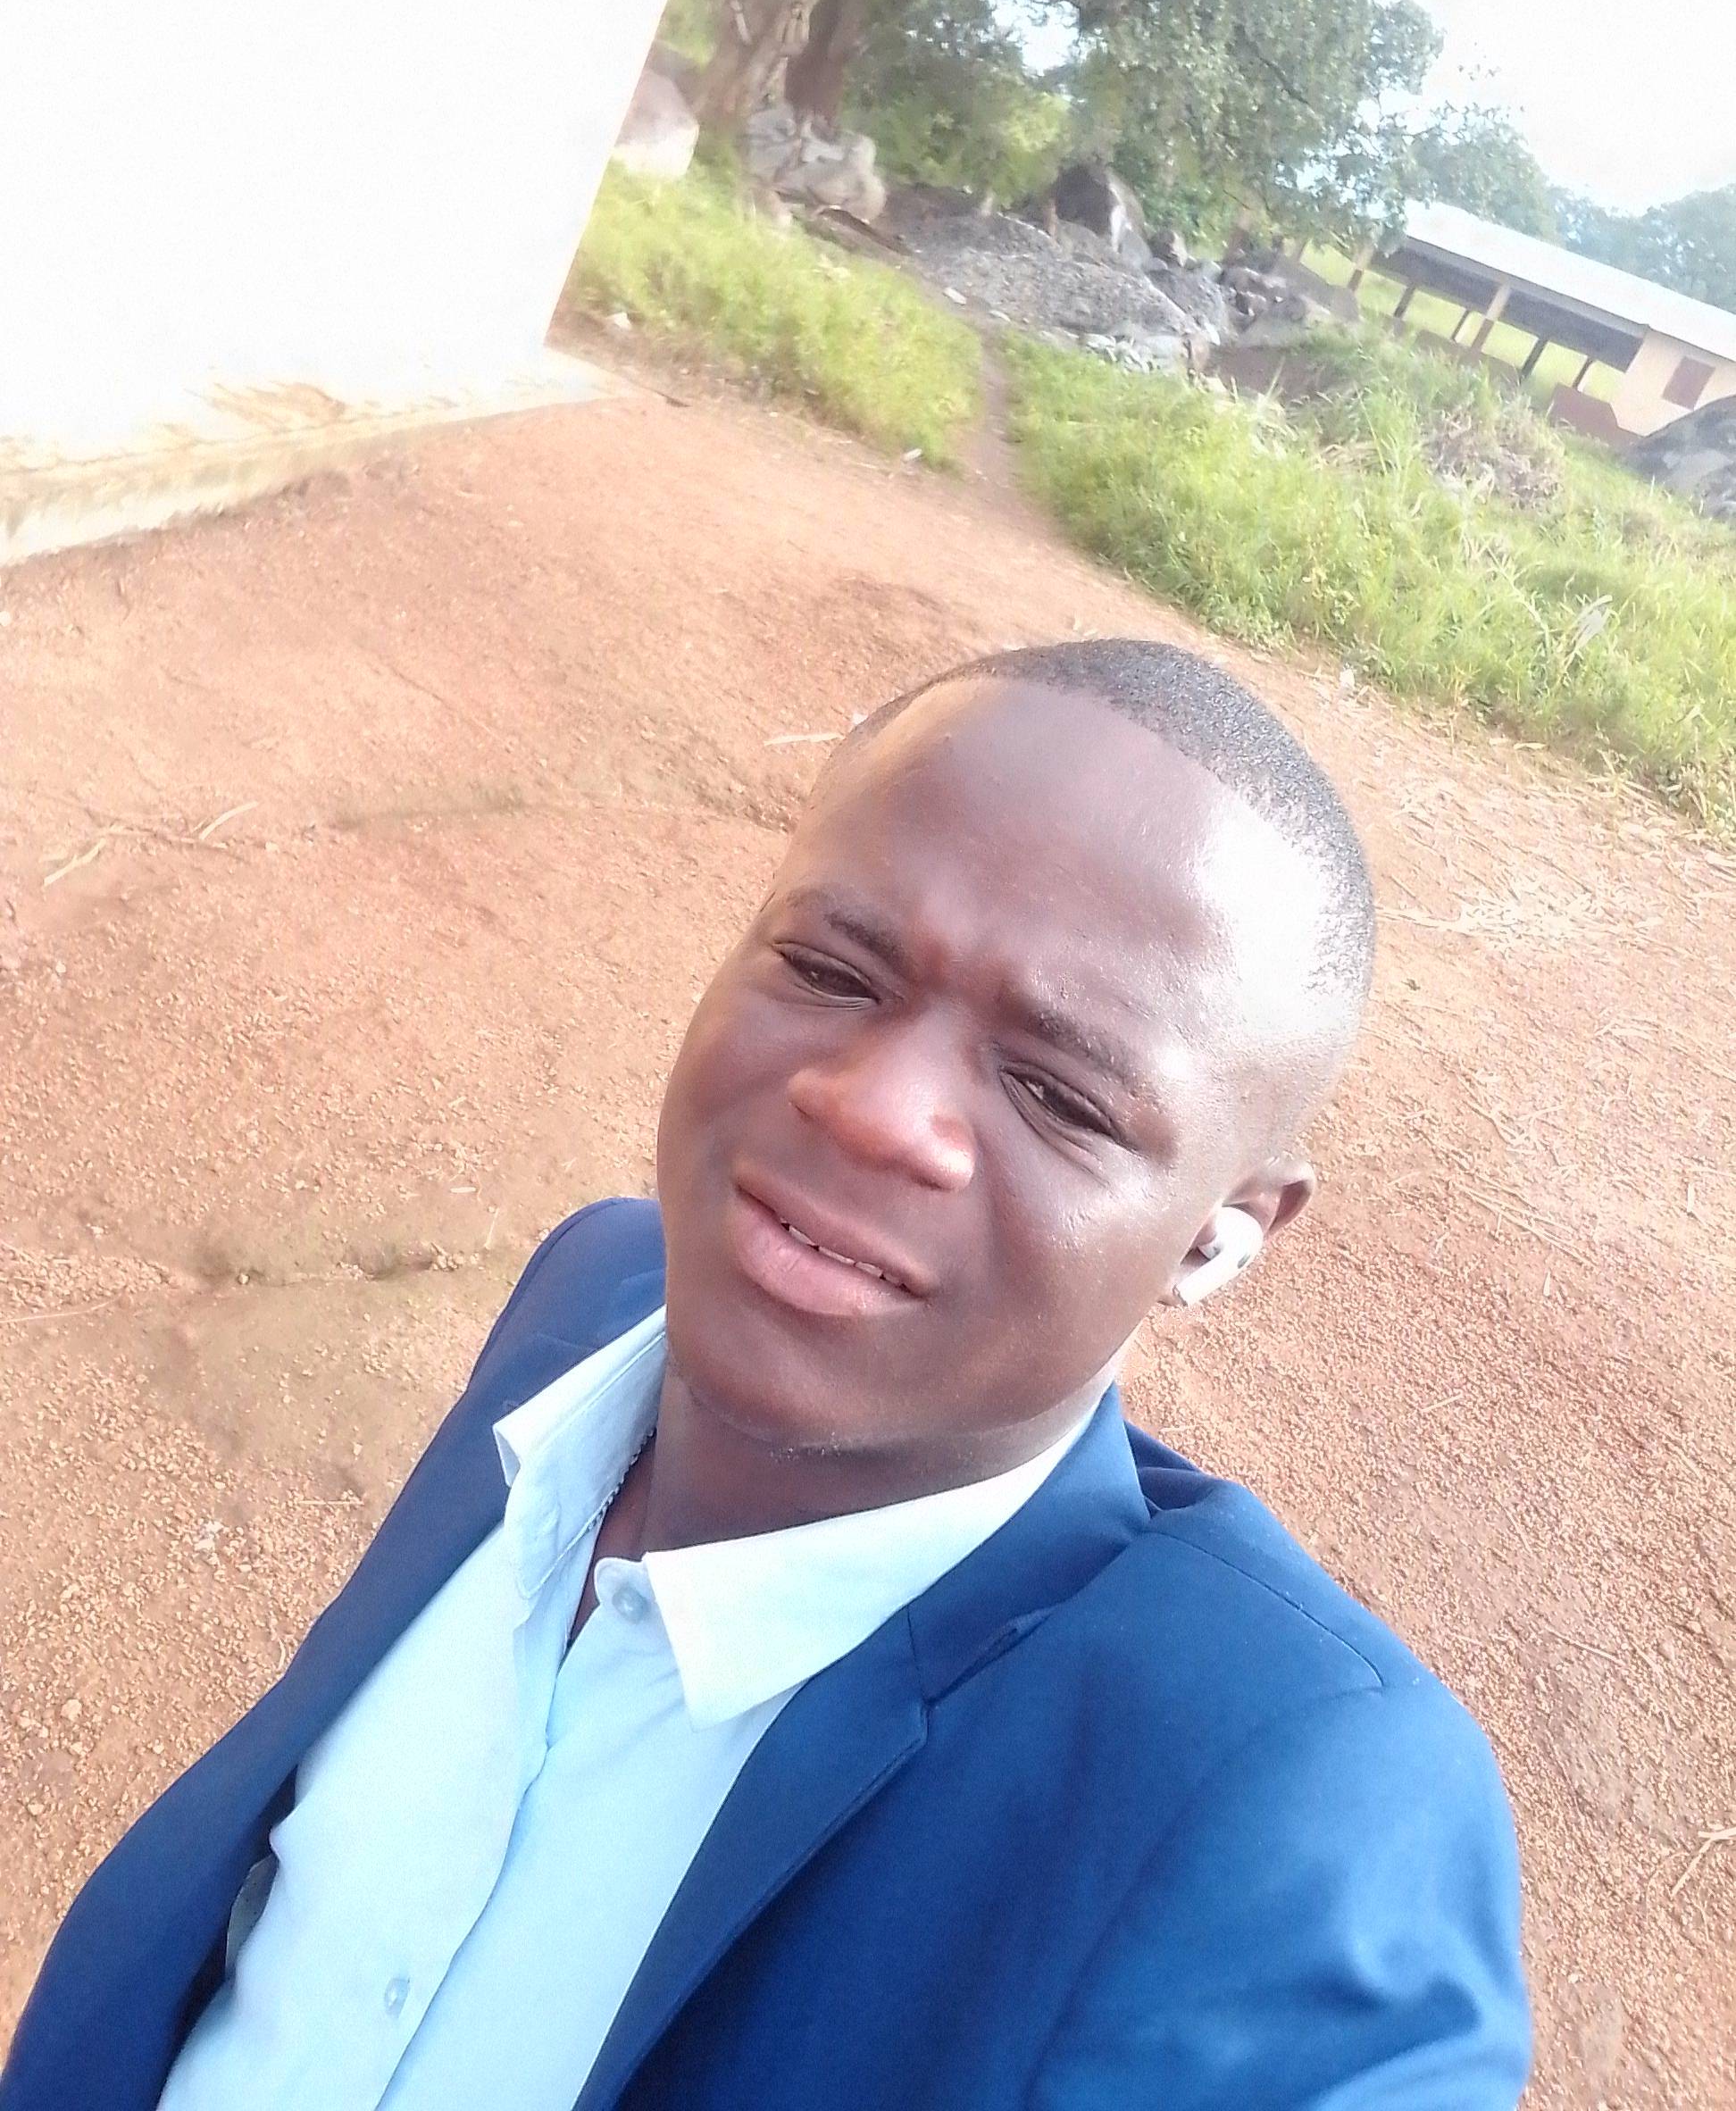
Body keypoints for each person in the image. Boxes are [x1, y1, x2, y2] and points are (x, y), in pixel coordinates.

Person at [2, 639, 1531, 2111]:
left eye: (1059, 1094)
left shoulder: (1284, 1793)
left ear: (1222, 1233)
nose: (871, 1107)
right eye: (827, 966)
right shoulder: (599, 1296)